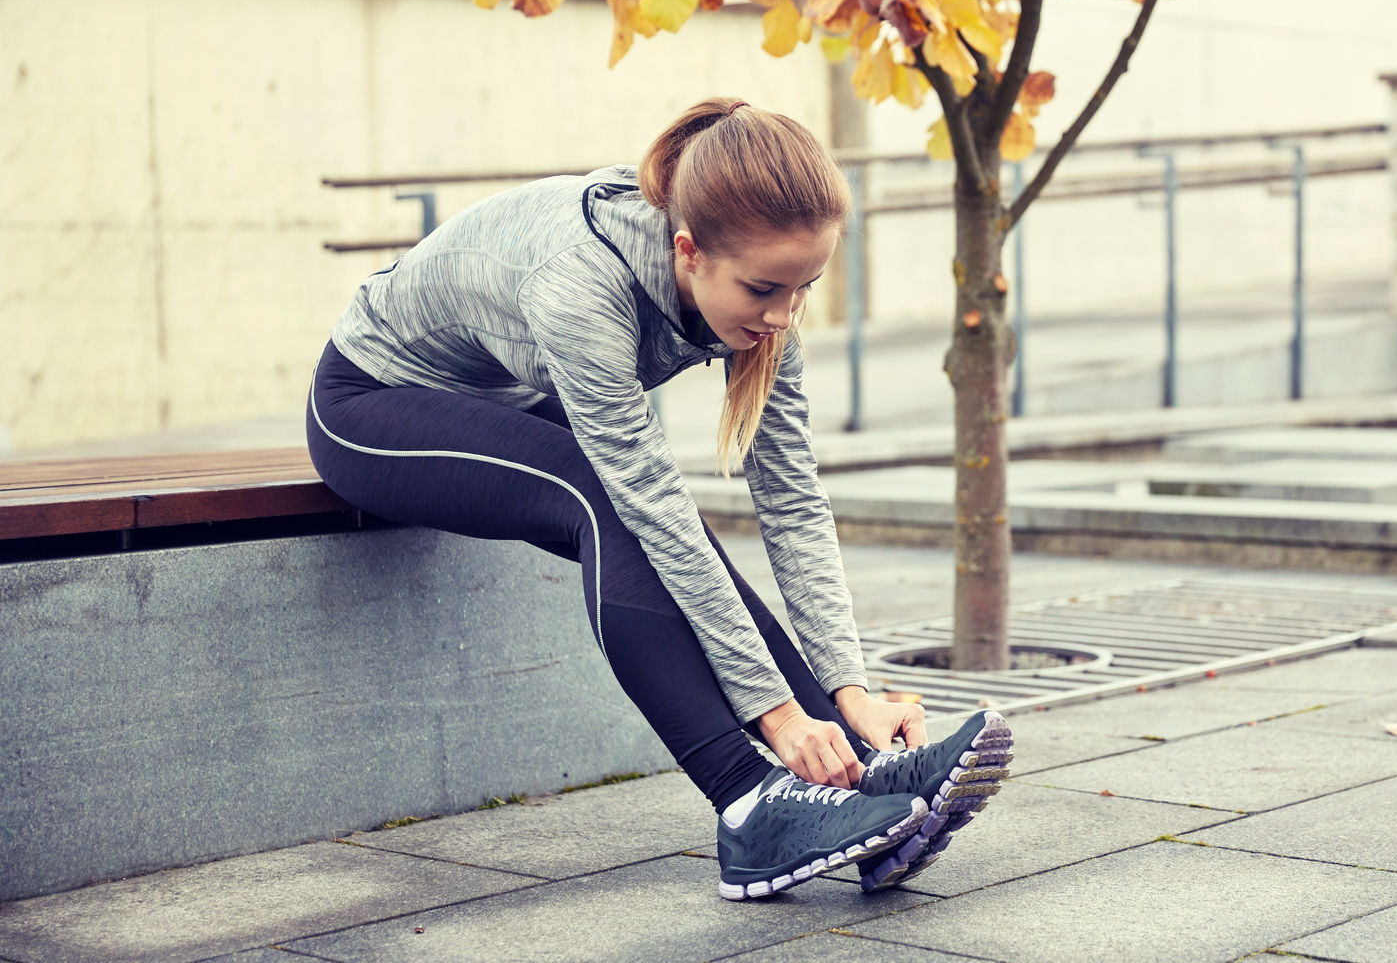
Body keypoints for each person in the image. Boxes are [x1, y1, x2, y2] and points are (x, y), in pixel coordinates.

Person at [304, 96, 1013, 900]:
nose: (782, 315)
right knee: (608, 498)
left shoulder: (763, 290)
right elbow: (649, 503)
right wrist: (778, 716)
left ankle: (861, 767)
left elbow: (791, 498)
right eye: (762, 290)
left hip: (495, 397)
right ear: (688, 251)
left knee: (660, 513)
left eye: (804, 287)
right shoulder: (581, 281)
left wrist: (847, 687)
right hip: (370, 404)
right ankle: (749, 805)